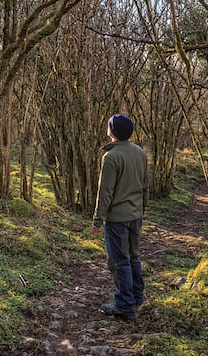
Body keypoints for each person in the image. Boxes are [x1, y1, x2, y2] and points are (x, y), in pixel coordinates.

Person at [91, 113, 149, 321]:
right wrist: (144, 207)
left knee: (119, 261)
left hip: (117, 218)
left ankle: (125, 305)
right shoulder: (140, 153)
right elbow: (145, 185)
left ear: (112, 131)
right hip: (135, 215)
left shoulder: (111, 157)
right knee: (134, 256)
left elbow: (105, 192)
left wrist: (98, 218)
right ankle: (137, 297)